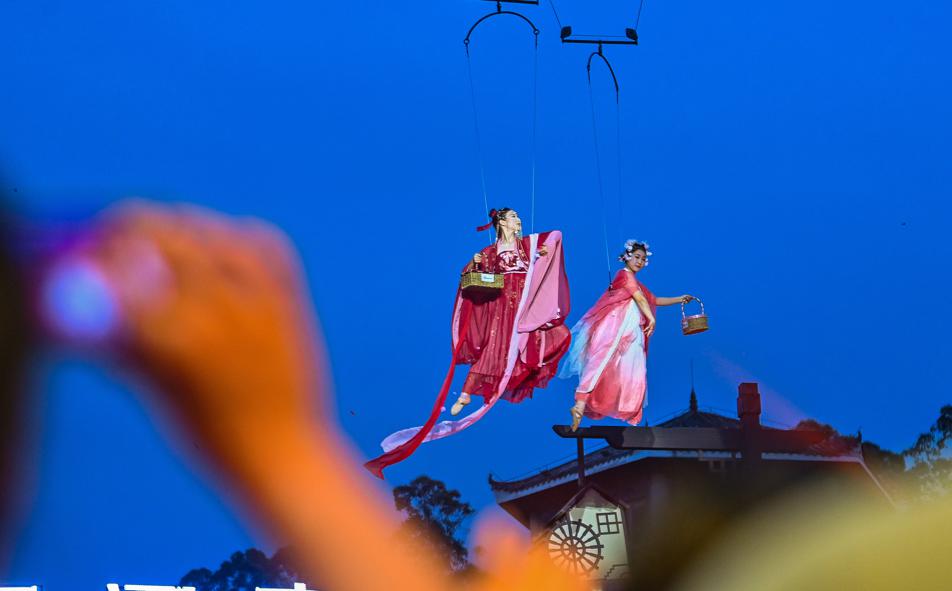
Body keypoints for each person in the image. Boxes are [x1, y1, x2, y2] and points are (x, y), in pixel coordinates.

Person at [364, 208, 571, 477]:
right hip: (502, 306)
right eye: (513, 217)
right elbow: (468, 275)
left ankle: (513, 375)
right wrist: (474, 263)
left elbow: (556, 234)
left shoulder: (527, 244)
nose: (518, 221)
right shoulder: (489, 252)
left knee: (552, 335)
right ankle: (466, 391)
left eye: (519, 217)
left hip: (523, 303)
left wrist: (543, 253)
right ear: (501, 222)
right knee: (494, 347)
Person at [560, 239, 694, 431]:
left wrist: (679, 298)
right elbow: (639, 298)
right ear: (627, 257)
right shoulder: (623, 275)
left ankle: (611, 405)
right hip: (616, 324)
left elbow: (653, 299)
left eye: (643, 259)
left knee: (628, 367)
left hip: (630, 329)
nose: (640, 262)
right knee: (601, 361)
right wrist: (651, 318)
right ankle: (580, 403)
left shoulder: (637, 282)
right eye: (637, 257)